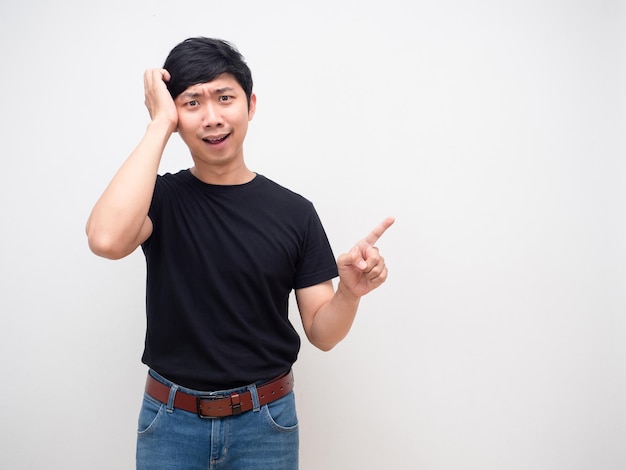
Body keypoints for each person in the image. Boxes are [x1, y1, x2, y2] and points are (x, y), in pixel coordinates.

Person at [86, 37, 394, 470]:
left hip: (265, 425)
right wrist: (158, 124)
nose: (212, 117)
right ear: (175, 116)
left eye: (224, 98)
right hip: (170, 422)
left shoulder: (295, 213)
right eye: (192, 103)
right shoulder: (159, 199)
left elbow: (323, 333)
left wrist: (349, 293)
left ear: (250, 105)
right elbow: (105, 240)